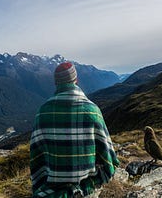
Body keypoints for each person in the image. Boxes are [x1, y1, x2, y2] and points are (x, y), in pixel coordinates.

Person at [30, 62, 119, 198]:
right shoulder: (92, 110)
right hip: (86, 185)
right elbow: (108, 156)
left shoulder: (43, 112)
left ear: (56, 83)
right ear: (75, 80)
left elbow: (37, 155)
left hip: (51, 185)